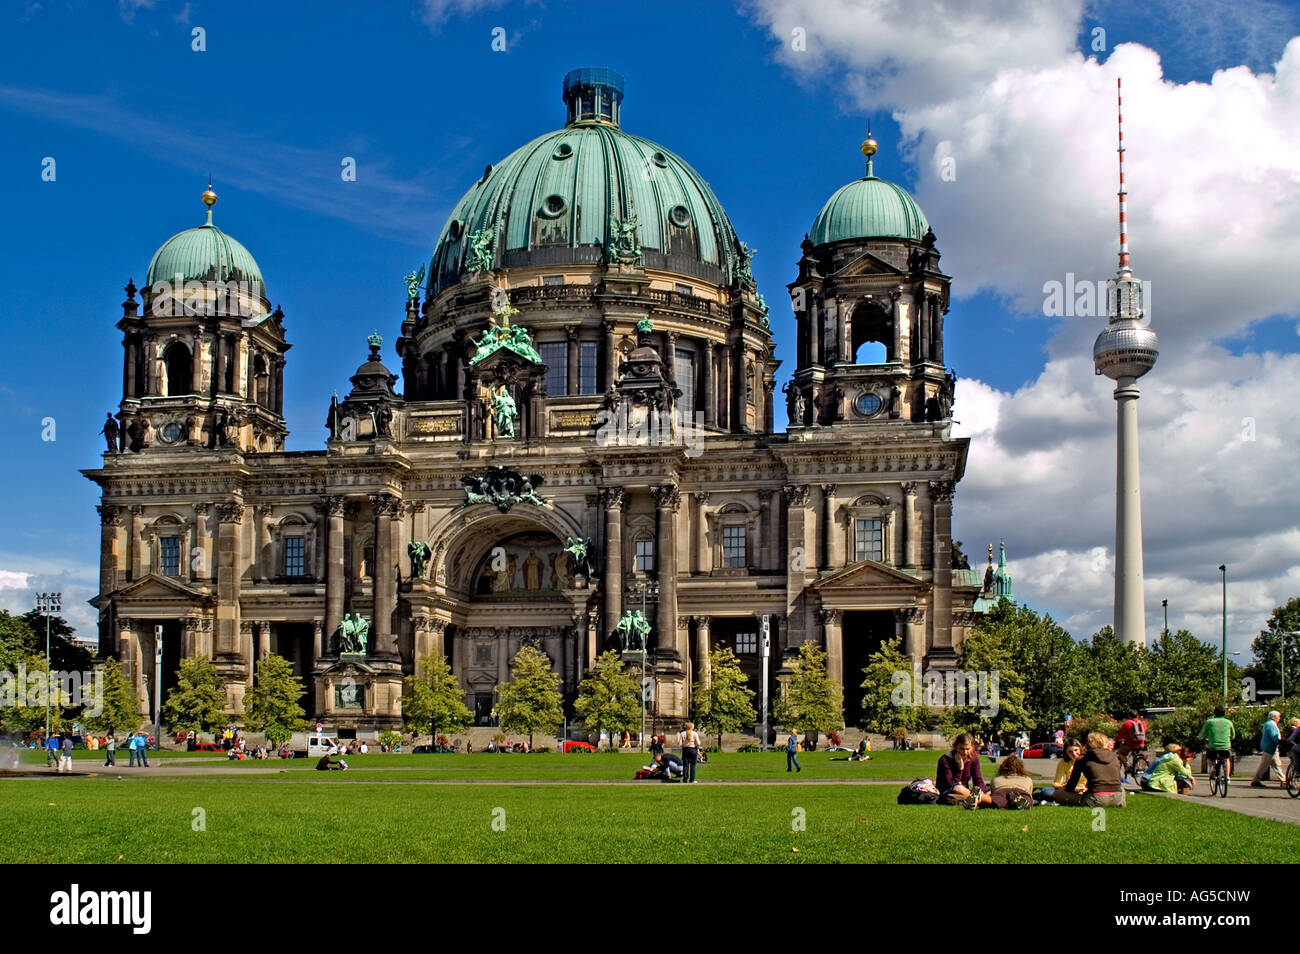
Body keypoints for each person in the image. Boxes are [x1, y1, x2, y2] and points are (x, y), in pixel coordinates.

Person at [1054, 732, 1125, 807]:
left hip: (1095, 799)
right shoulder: (1115, 757)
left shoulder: (1083, 759)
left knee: (1057, 794)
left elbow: (1071, 785)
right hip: (1117, 798)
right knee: (1121, 788)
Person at [936, 734, 991, 808]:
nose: (965, 752)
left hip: (966, 791)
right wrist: (960, 769)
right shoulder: (945, 760)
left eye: (968, 749)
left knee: (989, 788)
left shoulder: (973, 759)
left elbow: (978, 779)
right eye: (961, 749)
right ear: (955, 747)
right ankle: (985, 800)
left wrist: (981, 790)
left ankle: (976, 799)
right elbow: (950, 784)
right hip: (948, 792)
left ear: (972, 747)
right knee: (959, 788)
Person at [1040, 737, 1087, 802]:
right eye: (1070, 752)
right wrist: (1064, 786)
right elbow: (1056, 783)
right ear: (1066, 752)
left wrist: (1083, 788)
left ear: (1080, 749)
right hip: (1070, 789)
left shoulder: (1087, 760)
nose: (1074, 754)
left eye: (1076, 750)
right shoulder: (1064, 762)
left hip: (1085, 790)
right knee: (1046, 791)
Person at [1198, 706, 1236, 777]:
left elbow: (1201, 734)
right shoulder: (1229, 722)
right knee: (1226, 759)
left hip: (1213, 746)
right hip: (1225, 747)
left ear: (1214, 713)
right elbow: (1233, 735)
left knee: (1209, 757)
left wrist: (1200, 737)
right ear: (1224, 713)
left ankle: (1212, 769)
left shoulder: (1209, 722)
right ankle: (1227, 777)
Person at [1250, 710, 1284, 789]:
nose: (1279, 718)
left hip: (1268, 747)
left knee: (1269, 765)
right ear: (1274, 717)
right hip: (1271, 747)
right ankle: (1284, 781)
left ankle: (1256, 780)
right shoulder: (1271, 725)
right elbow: (1274, 736)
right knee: (1274, 765)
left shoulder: (1267, 724)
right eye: (1278, 716)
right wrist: (1279, 742)